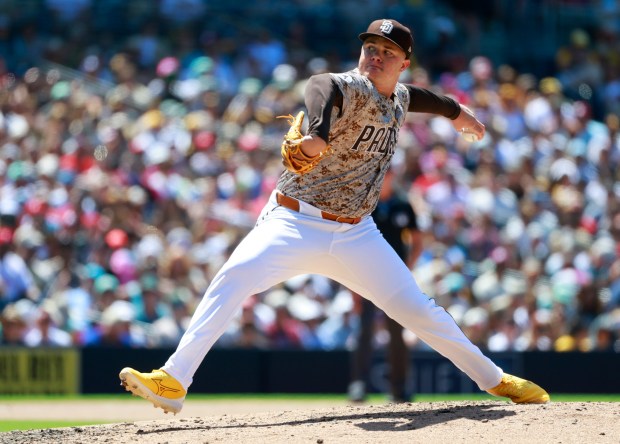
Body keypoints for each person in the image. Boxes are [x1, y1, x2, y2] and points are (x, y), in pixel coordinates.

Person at [119, 18, 550, 414]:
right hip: (293, 222)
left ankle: (496, 381)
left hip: (355, 235)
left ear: (403, 63)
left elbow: (424, 98)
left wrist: (460, 113)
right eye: (370, 49)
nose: (375, 58)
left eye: (387, 53)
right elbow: (321, 86)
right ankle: (175, 379)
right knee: (233, 278)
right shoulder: (344, 85)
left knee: (419, 310)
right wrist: (316, 135)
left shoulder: (397, 95)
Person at [348, 166, 422, 403]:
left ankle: (399, 388)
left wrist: (406, 269)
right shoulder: (367, 204)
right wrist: (353, 285)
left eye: (386, 175)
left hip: (394, 279)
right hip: (367, 276)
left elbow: (418, 241)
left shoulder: (403, 204)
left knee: (396, 332)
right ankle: (359, 384)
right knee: (365, 331)